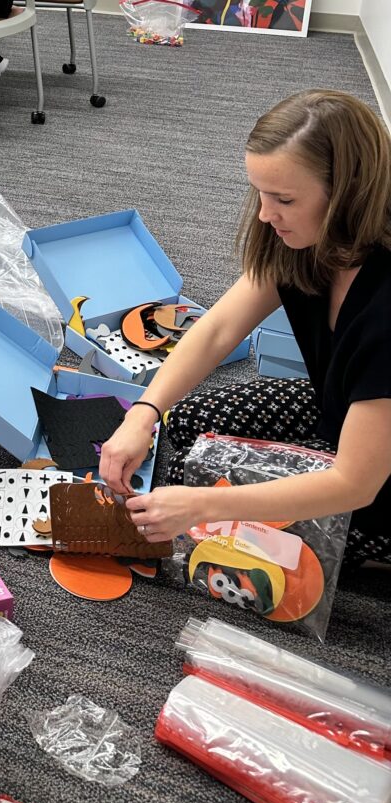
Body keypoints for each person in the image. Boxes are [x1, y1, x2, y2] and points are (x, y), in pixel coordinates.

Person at [98, 89, 391, 572]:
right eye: (260, 193)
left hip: (377, 481)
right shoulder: (301, 240)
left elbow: (354, 483)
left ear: (347, 194)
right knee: (184, 420)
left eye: (284, 199)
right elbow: (217, 330)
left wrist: (204, 505)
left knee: (200, 489)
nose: (264, 214)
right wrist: (143, 413)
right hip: (338, 405)